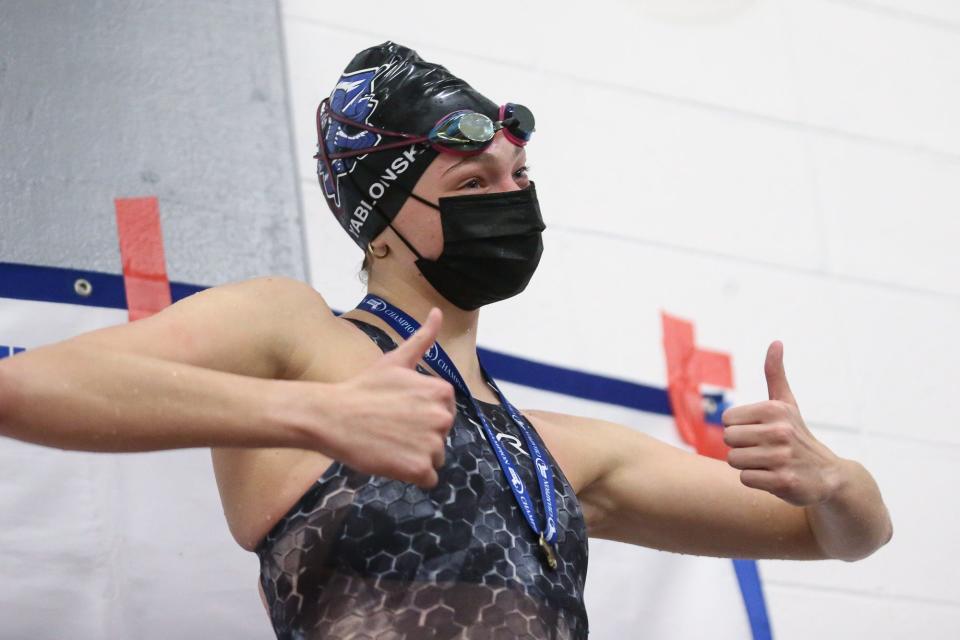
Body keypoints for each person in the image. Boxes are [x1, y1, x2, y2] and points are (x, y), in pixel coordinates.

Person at [0, 42, 892, 639]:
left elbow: (839, 538)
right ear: (383, 221)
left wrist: (838, 480)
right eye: (473, 181)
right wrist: (311, 413)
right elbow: (24, 389)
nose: (510, 199)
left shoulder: (556, 450)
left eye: (519, 176)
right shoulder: (295, 334)